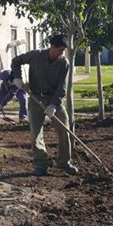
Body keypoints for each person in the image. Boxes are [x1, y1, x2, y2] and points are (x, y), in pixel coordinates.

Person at [10, 34, 78, 176]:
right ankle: (41, 164)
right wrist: (17, 77)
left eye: (63, 50)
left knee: (64, 129)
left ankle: (64, 162)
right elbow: (16, 61)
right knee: (36, 132)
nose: (61, 53)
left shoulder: (63, 63)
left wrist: (53, 105)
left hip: (54, 100)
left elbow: (62, 88)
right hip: (36, 98)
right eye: (59, 50)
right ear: (52, 47)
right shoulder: (36, 56)